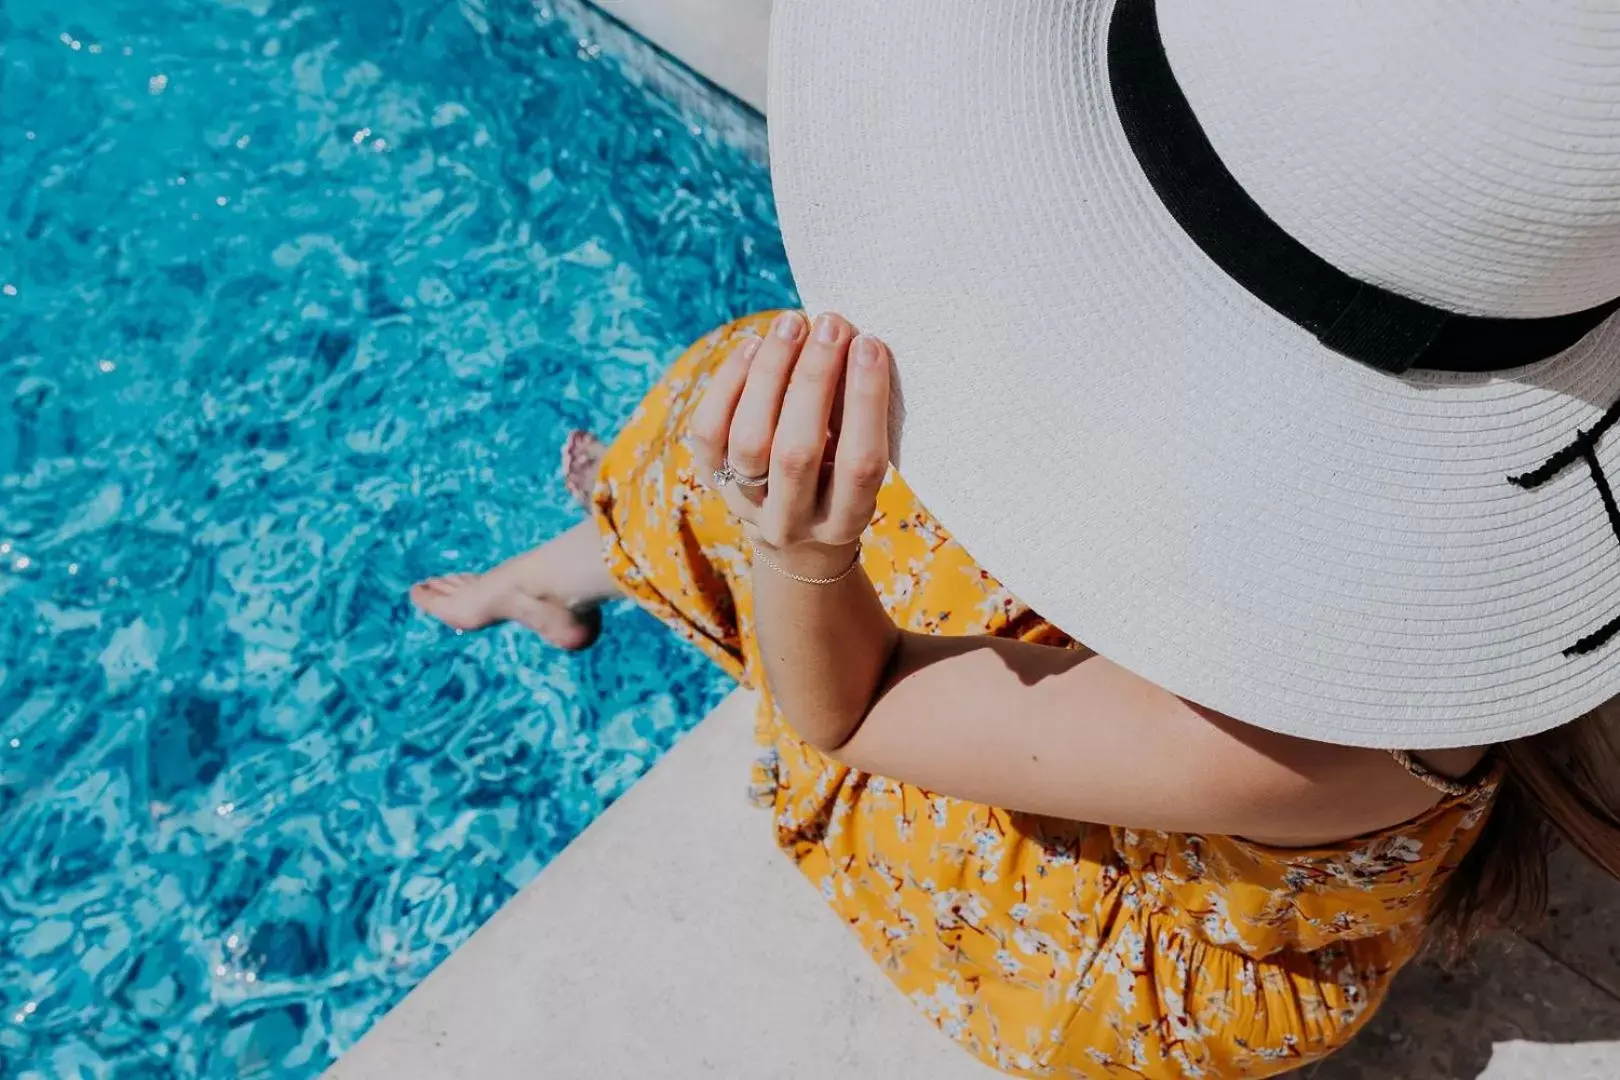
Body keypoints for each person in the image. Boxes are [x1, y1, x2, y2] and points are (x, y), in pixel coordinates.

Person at [413, 0, 1620, 1075]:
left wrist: (801, 550)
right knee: (792, 429)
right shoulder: (1491, 480)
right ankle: (582, 565)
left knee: (751, 455)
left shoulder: (1307, 737)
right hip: (1225, 750)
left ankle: (562, 576)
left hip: (1140, 939)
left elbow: (855, 712)